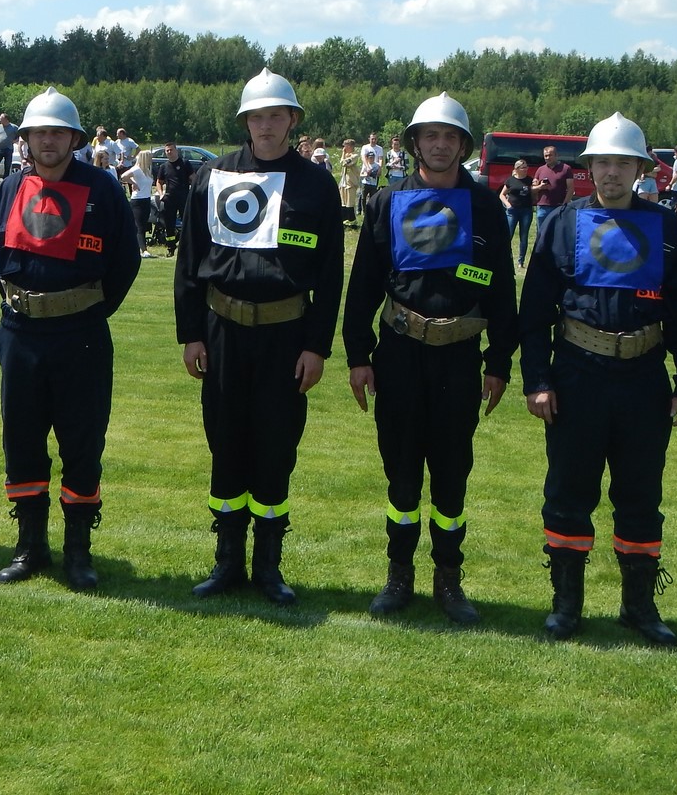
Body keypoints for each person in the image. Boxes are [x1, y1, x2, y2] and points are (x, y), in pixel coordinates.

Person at [518, 113, 677, 645]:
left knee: (640, 494)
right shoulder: (561, 224)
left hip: (644, 378)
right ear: (589, 167)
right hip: (577, 375)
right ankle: (566, 605)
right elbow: (534, 313)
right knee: (568, 491)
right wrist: (537, 380)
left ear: (640, 169)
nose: (612, 173)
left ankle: (639, 607)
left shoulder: (667, 228)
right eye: (603, 162)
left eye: (623, 163)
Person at [342, 93, 519, 622]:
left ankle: (449, 578)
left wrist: (499, 362)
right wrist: (358, 355)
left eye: (450, 137)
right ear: (415, 143)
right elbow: (363, 285)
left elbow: (502, 291)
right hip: (399, 355)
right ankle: (399, 574)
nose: (440, 145)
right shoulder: (386, 202)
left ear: (463, 145)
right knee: (401, 475)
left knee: (451, 474)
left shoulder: (486, 207)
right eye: (431, 135)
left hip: (460, 360)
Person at [175, 68, 345, 605]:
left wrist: (316, 346)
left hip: (285, 336)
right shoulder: (214, 175)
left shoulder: (316, 185)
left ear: (292, 120)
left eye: (276, 115)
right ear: (245, 122)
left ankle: (268, 566)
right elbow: (190, 258)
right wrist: (191, 334)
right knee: (225, 443)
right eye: (256, 116)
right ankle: (226, 561)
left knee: (275, 447)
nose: (266, 125)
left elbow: (330, 275)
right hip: (222, 332)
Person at [0, 87, 141, 590]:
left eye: (57, 132)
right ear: (27, 138)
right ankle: (30, 546)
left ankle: (78, 551)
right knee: (21, 441)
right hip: (21, 334)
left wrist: (85, 310)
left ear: (74, 138)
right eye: (39, 133)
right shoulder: (10, 188)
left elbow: (125, 261)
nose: (47, 141)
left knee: (81, 442)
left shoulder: (103, 188)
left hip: (81, 336)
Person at [155, 140, 195, 258]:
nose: (169, 152)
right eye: (167, 151)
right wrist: (161, 194)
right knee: (169, 225)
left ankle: (187, 247)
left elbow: (194, 178)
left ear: (176, 150)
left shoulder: (185, 163)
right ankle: (170, 247)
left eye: (171, 150)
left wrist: (194, 192)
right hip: (169, 199)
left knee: (187, 223)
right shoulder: (164, 167)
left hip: (184, 198)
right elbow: (159, 182)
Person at [531, 144, 573, 233]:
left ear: (556, 155)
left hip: (558, 206)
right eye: (545, 156)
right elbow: (532, 188)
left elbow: (570, 189)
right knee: (541, 232)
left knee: (557, 232)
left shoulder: (566, 168)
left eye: (550, 155)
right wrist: (540, 186)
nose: (547, 158)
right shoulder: (540, 169)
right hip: (542, 207)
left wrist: (565, 204)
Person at [122, 147, 155, 257]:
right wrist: (133, 183)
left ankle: (140, 248)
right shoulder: (137, 169)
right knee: (139, 226)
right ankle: (143, 249)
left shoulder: (147, 171)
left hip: (146, 199)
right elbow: (123, 176)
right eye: (149, 158)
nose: (151, 160)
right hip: (138, 201)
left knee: (144, 225)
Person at [502, 158, 533, 267]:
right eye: (523, 167)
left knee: (524, 236)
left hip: (526, 210)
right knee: (508, 234)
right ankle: (505, 257)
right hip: (512, 211)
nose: (525, 169)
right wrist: (508, 204)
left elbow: (534, 191)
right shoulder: (510, 180)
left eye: (526, 167)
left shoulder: (530, 180)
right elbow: (502, 194)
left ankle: (521, 261)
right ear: (517, 169)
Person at [358, 132, 382, 219]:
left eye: (375, 139)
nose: (373, 140)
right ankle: (360, 210)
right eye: (372, 139)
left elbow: (380, 159)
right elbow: (363, 157)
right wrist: (367, 167)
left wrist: (379, 168)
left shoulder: (379, 148)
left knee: (373, 193)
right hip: (366, 171)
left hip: (375, 170)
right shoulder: (365, 147)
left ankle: (372, 210)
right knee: (362, 194)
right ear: (369, 139)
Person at [0, 112, 18, 185]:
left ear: (6, 119)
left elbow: (20, 136)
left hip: (8, 149)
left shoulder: (14, 127)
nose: (0, 120)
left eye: (1, 119)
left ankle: (5, 182)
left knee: (7, 166)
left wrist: (14, 141)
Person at [338, 139, 360, 224]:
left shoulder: (354, 156)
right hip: (343, 182)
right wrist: (344, 155)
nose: (344, 147)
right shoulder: (346, 155)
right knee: (343, 201)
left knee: (350, 202)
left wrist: (343, 155)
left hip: (351, 182)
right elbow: (341, 163)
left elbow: (344, 163)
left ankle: (352, 220)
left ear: (351, 146)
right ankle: (344, 219)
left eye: (346, 145)